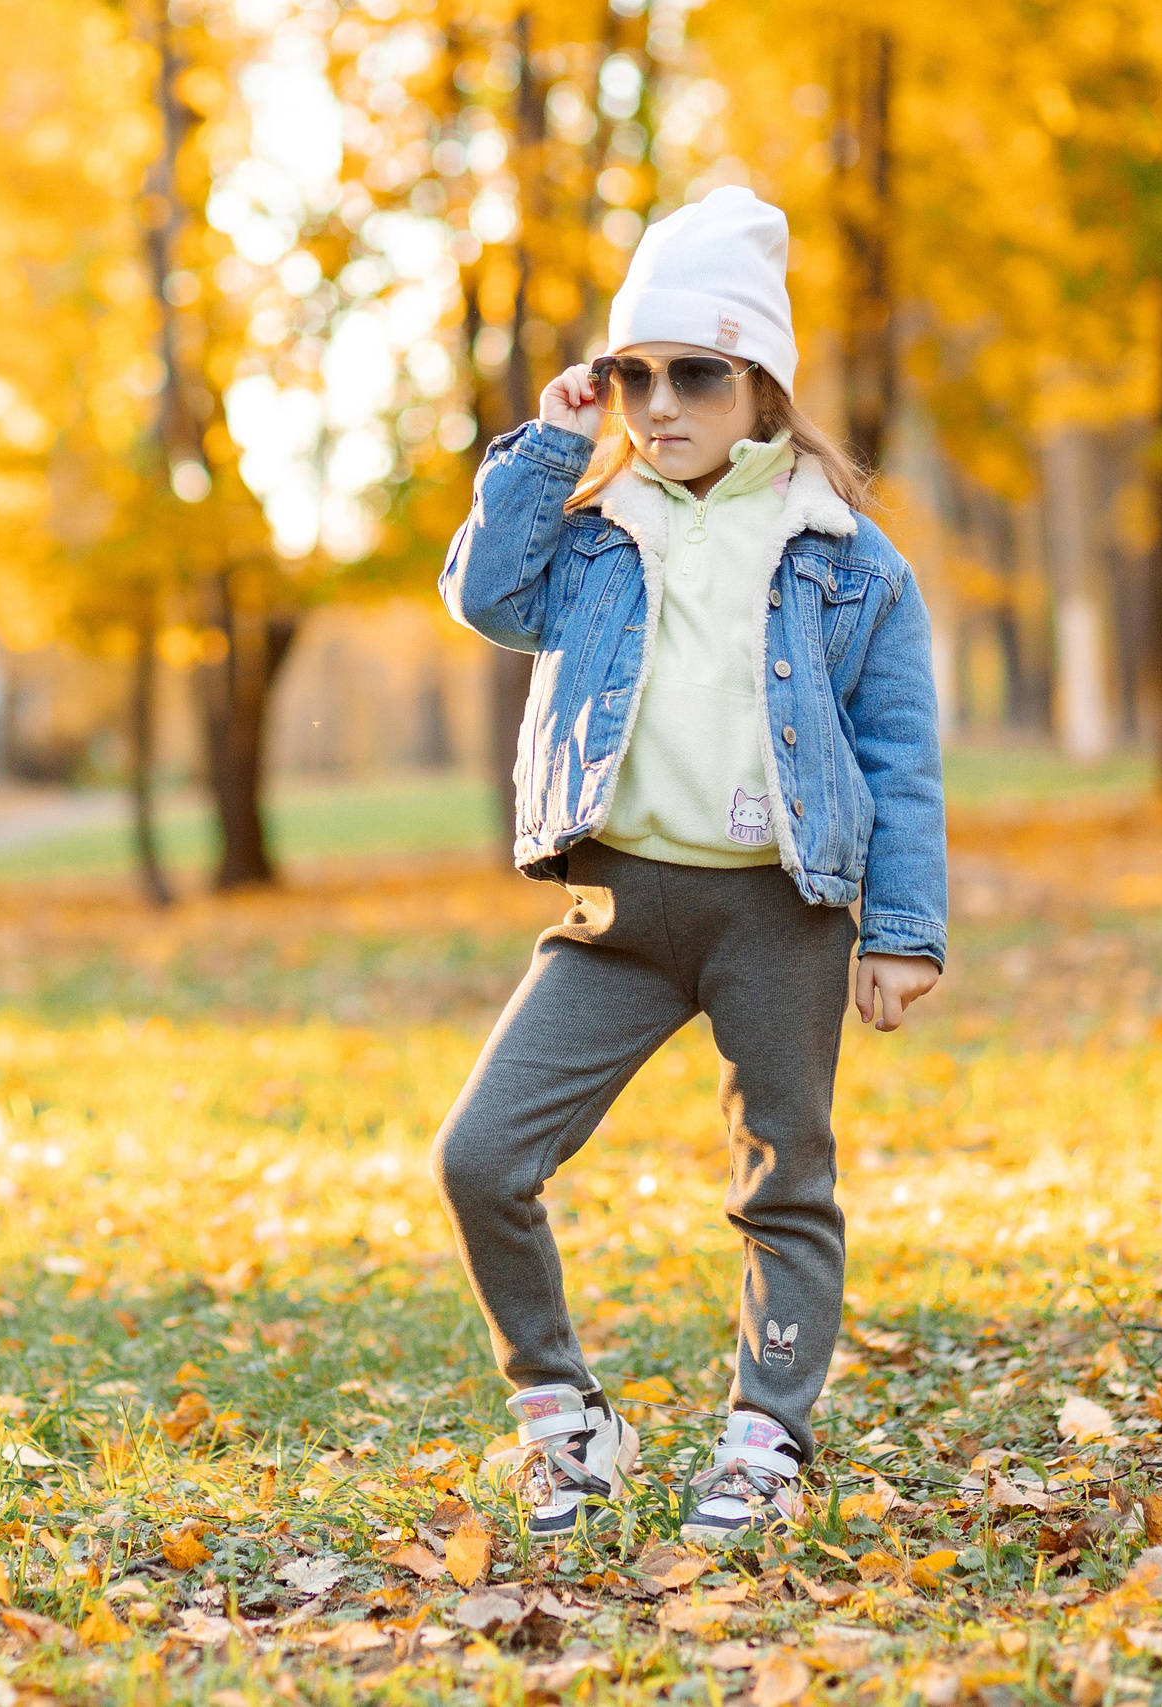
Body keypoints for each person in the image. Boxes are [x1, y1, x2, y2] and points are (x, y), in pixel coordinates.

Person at [432, 185, 949, 1548]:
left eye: (696, 374)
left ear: (760, 383)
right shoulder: (596, 531)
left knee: (785, 1177)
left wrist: (903, 930)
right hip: (620, 912)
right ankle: (565, 1419)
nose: (661, 404)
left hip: (779, 913)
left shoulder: (847, 555)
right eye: (634, 376)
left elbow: (899, 753)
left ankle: (765, 1436)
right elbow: (486, 596)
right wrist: (549, 445)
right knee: (482, 1157)